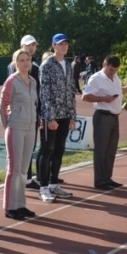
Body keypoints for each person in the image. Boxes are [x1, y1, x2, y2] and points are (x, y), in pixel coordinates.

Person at [82, 55, 127, 189]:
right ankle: (100, 181)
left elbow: (119, 92)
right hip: (103, 116)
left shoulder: (116, 79)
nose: (112, 72)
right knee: (101, 150)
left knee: (111, 150)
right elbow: (85, 96)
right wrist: (104, 99)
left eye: (115, 70)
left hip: (114, 117)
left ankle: (107, 178)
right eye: (110, 69)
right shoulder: (96, 78)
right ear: (104, 65)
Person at [0, 49, 38, 220]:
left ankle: (21, 204)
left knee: (23, 170)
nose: (25, 63)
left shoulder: (33, 81)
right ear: (15, 63)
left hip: (30, 128)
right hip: (16, 127)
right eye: (21, 60)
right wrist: (8, 126)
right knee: (13, 169)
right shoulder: (11, 81)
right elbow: (3, 106)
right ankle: (10, 206)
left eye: (27, 59)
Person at [37, 33, 76, 202]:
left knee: (60, 149)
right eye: (60, 44)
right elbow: (44, 93)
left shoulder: (68, 64)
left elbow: (71, 91)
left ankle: (54, 183)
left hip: (65, 115)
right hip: (50, 116)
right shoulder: (47, 65)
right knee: (47, 150)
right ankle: (43, 187)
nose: (64, 47)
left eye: (66, 44)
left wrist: (72, 116)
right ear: (53, 45)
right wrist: (50, 118)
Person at [7, 35, 42, 191]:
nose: (31, 47)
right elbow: (7, 97)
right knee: (17, 153)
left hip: (31, 116)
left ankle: (26, 179)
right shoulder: (13, 68)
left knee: (29, 149)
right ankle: (21, 182)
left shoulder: (35, 67)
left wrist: (38, 114)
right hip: (19, 118)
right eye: (28, 45)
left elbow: (37, 94)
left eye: (34, 45)